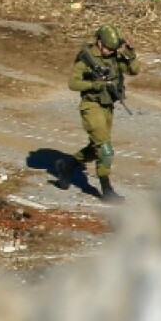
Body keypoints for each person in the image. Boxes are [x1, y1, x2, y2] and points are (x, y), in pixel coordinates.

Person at [56, 25, 142, 202]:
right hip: (91, 106)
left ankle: (68, 164)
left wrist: (131, 53)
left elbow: (133, 70)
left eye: (113, 48)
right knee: (105, 149)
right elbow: (73, 83)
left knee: (97, 148)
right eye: (108, 48)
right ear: (99, 42)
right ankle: (106, 189)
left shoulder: (114, 56)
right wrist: (95, 85)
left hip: (107, 106)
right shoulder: (87, 59)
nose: (111, 52)